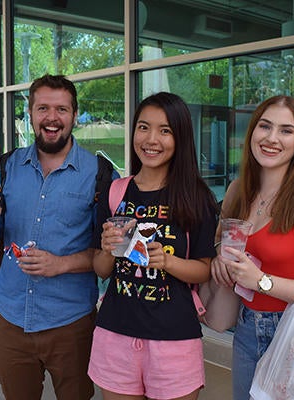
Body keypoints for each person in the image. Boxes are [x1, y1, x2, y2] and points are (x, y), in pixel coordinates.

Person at [0, 74, 117, 400]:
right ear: (31, 113)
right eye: (43, 108)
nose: (52, 117)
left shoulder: (101, 176)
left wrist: (60, 264)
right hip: (12, 321)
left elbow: (107, 255)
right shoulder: (6, 167)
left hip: (71, 324)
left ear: (75, 115)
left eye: (62, 109)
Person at [210, 95, 294, 399]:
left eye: (286, 131)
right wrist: (220, 258)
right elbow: (223, 242)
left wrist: (261, 281)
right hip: (247, 329)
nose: (272, 138)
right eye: (265, 126)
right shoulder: (237, 191)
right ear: (252, 133)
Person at [88, 92, 219, 400]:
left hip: (174, 339)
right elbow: (100, 268)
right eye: (144, 127)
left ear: (180, 138)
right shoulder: (115, 192)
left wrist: (167, 261)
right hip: (116, 334)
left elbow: (204, 270)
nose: (151, 139)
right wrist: (107, 248)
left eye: (165, 130)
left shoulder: (195, 197)